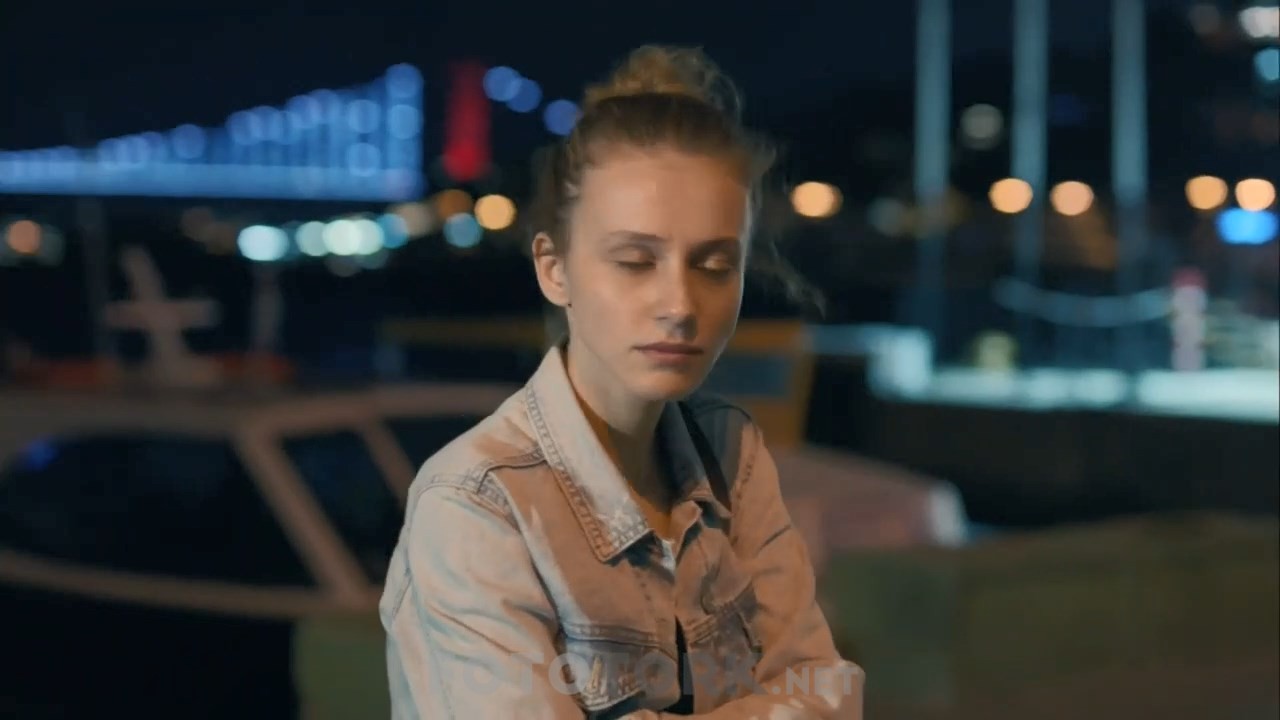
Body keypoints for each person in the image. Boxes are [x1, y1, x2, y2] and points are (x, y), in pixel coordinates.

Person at [381, 45, 863, 718]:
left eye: (714, 265)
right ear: (553, 268)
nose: (680, 305)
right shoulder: (476, 504)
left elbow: (826, 692)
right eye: (635, 261)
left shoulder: (733, 456)